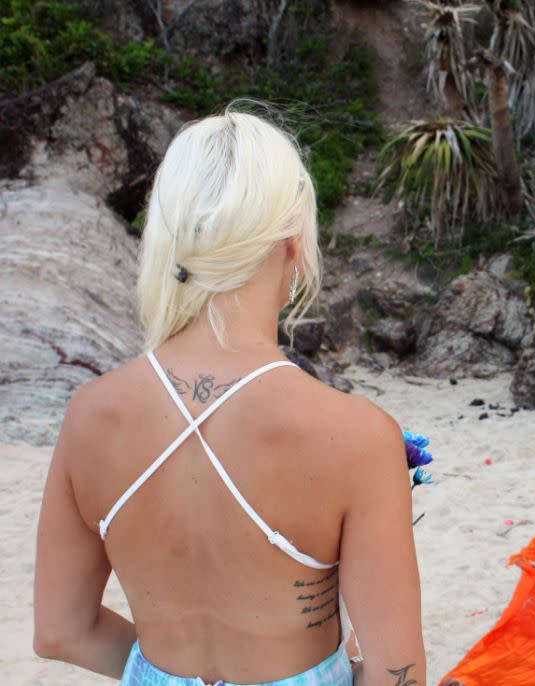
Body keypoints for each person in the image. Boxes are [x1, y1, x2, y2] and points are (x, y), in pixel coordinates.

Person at [33, 106, 426, 686]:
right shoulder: (358, 436)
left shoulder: (90, 415)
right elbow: (399, 675)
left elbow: (60, 630)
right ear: (293, 240)